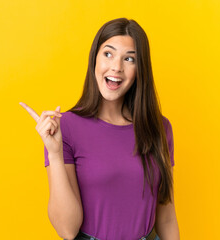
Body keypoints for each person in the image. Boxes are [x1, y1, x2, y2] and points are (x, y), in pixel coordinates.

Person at [20, 18, 180, 240]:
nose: (116, 67)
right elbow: (67, 230)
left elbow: (166, 217)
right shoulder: (64, 128)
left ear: (139, 69)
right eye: (108, 54)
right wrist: (55, 154)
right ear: (94, 59)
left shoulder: (159, 128)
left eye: (129, 59)